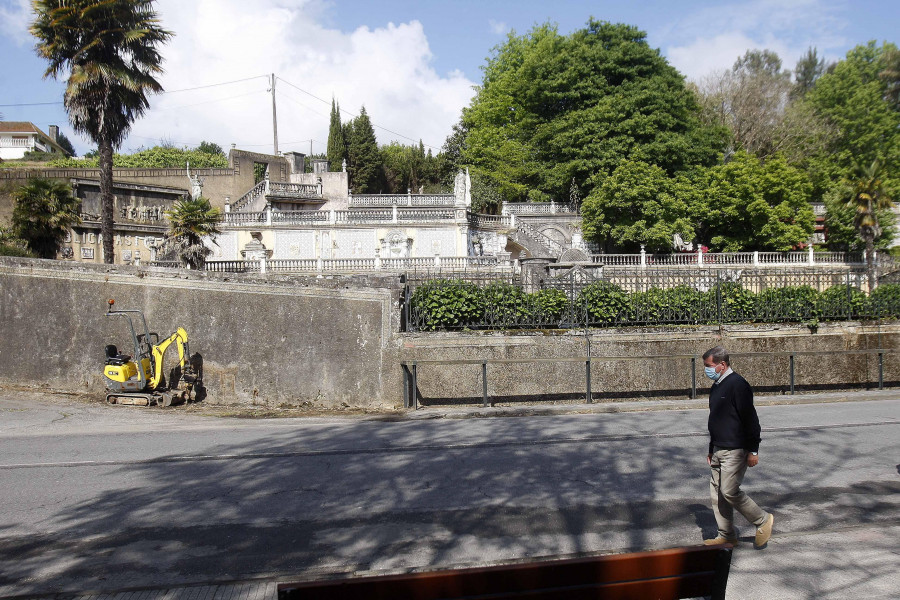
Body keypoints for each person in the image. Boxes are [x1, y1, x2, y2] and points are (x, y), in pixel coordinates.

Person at [702, 346, 774, 548]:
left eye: (708, 366)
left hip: (735, 449)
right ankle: (726, 534)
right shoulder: (717, 385)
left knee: (729, 491)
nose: (706, 370)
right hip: (718, 447)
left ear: (722, 364)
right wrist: (711, 447)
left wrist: (753, 450)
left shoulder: (738, 385)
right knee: (717, 493)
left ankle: (762, 520)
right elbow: (715, 419)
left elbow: (751, 420)